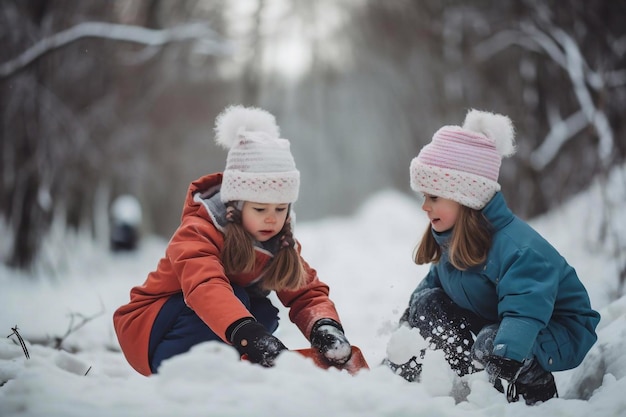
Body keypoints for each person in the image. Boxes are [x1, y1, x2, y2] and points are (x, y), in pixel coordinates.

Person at [113, 105, 352, 376]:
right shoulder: (199, 230)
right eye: (260, 210)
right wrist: (248, 334)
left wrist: (324, 326)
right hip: (151, 330)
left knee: (264, 313)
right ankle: (178, 369)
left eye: (281, 209)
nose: (272, 219)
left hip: (209, 321)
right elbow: (206, 286)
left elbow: (307, 292)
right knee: (239, 302)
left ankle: (219, 368)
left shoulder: (278, 242)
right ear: (236, 206)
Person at [385, 109, 600, 405]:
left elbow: (526, 308)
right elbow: (436, 282)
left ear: (465, 198)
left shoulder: (518, 249)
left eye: (433, 197)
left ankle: (537, 391)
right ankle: (465, 383)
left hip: (557, 326)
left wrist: (508, 355)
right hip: (502, 320)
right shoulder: (457, 238)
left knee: (492, 342)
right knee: (429, 306)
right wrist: (409, 329)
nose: (425, 207)